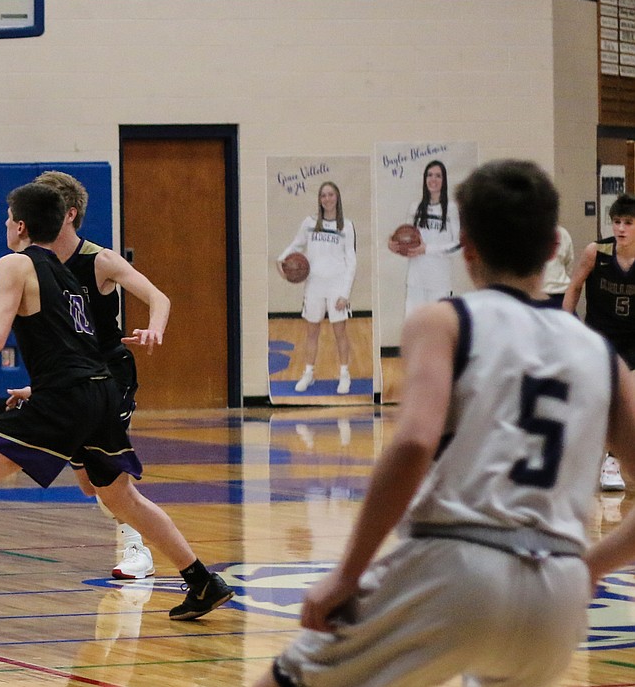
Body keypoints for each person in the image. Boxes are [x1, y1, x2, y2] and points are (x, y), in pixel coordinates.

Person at [256, 159, 635, 687]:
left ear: (468, 247)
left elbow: (413, 442)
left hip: (460, 562)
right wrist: (587, 569)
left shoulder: (445, 320)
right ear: (553, 248)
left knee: (288, 678)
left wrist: (347, 573)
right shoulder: (603, 358)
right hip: (557, 595)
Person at [0, 182, 231, 640]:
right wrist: (38, 388)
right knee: (120, 497)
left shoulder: (16, 262)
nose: (4, 226)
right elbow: (72, 345)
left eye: (6, 218)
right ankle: (201, 580)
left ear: (20, 225)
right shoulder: (64, 271)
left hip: (69, 394)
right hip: (98, 391)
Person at [2, 169, 170, 581]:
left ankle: (137, 549)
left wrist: (154, 328)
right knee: (89, 484)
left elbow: (158, 297)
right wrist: (39, 388)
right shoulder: (32, 265)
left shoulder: (100, 260)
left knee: (105, 475)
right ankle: (156, 549)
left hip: (110, 374)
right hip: (70, 380)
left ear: (68, 213)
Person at [563, 194, 635, 492]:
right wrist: (565, 324)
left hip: (632, 339)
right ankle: (605, 457)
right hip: (600, 338)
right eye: (617, 222)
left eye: (628, 223)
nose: (621, 228)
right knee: (602, 403)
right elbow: (575, 286)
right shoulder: (597, 252)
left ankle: (615, 460)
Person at [277, 181, 357, 395]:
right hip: (314, 285)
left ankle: (344, 374)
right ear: (319, 199)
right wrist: (282, 259)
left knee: (340, 332)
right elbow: (296, 245)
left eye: (331, 194)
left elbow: (352, 261)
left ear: (337, 198)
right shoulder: (309, 223)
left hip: (337, 285)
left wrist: (345, 293)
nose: (327, 199)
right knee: (312, 332)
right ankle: (309, 373)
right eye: (323, 195)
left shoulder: (346, 226)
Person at [389, 159, 461, 318]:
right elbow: (405, 237)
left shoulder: (452, 208)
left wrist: (427, 249)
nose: (433, 179)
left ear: (444, 180)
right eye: (430, 175)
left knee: (438, 332)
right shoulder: (415, 207)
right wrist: (393, 243)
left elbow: (458, 245)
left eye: (438, 176)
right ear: (425, 179)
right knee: (413, 330)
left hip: (439, 282)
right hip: (416, 280)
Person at [539, 224, 574, 309]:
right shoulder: (523, 234)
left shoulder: (562, 234)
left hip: (560, 295)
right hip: (535, 297)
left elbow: (569, 265)